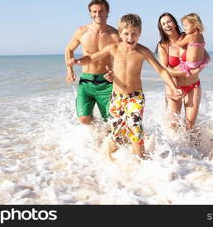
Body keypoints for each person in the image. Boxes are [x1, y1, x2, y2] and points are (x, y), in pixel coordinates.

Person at [69, 14, 182, 158]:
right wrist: (78, 61)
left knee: (135, 127)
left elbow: (161, 70)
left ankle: (140, 159)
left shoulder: (143, 51)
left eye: (134, 33)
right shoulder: (113, 48)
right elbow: (92, 57)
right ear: (120, 33)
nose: (130, 37)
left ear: (139, 33)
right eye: (126, 33)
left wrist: (173, 87)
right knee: (117, 132)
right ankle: (121, 159)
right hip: (116, 97)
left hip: (135, 97)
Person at [64, 0, 120, 125]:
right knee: (84, 118)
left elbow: (123, 58)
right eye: (94, 12)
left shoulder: (115, 34)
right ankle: (96, 138)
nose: (97, 14)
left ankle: (107, 138)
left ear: (107, 12)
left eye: (101, 11)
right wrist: (69, 70)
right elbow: (69, 49)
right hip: (86, 82)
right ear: (90, 13)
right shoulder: (82, 31)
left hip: (107, 82)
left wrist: (115, 72)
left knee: (111, 120)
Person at [156, 12, 210, 132]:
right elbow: (164, 69)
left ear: (175, 23)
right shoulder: (163, 46)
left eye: (169, 21)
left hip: (193, 86)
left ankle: (195, 150)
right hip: (173, 88)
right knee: (173, 126)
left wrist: (200, 68)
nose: (167, 25)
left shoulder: (189, 36)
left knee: (190, 126)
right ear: (161, 27)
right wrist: (187, 73)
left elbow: (205, 56)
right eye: (163, 24)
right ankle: (176, 150)